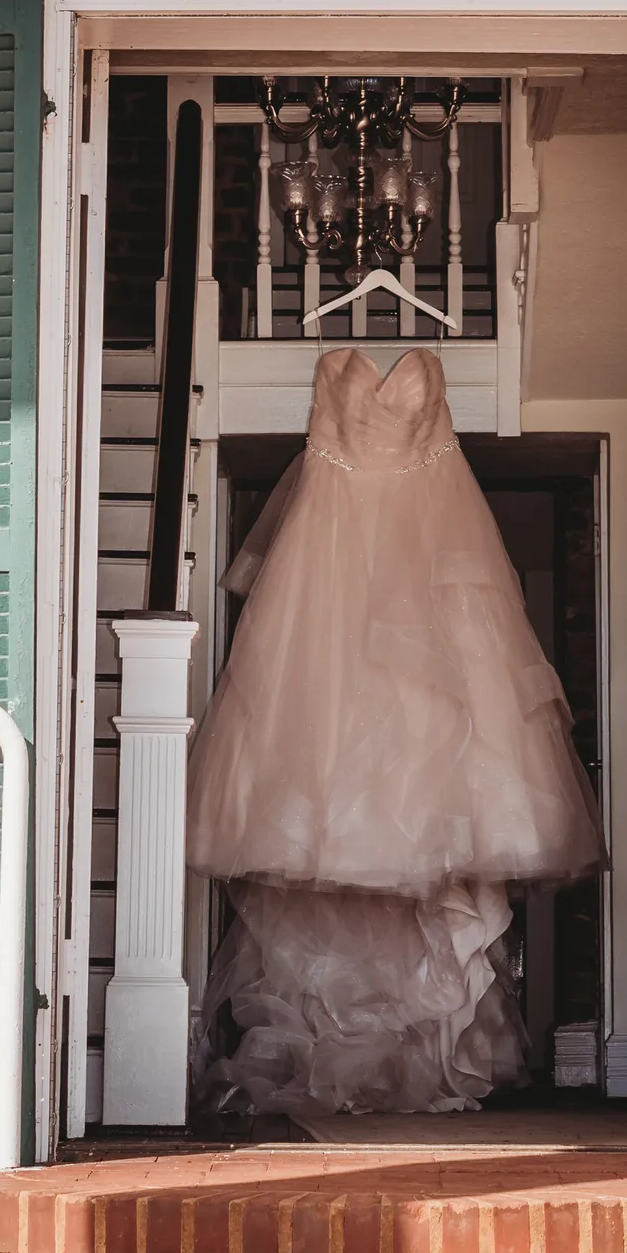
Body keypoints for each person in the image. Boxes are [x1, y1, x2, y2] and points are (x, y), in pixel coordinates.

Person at [185, 342, 604, 1114]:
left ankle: (421, 1044)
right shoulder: (338, 369)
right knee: (332, 735)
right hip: (330, 554)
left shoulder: (399, 373)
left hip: (429, 544)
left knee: (430, 723)